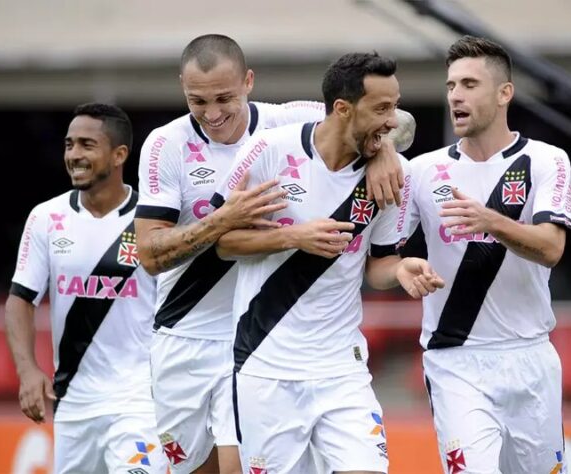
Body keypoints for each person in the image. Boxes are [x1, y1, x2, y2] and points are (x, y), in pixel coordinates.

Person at [134, 35, 410, 474]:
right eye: (196, 101)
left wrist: (382, 153)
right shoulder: (165, 145)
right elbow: (149, 254)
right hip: (184, 333)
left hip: (259, 341)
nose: (212, 114)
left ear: (248, 82)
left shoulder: (288, 120)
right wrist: (224, 219)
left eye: (224, 97)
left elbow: (388, 116)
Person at [211, 52, 444, 474]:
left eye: (395, 106)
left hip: (341, 367)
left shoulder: (394, 175)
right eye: (381, 109)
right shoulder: (268, 152)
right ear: (342, 108)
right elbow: (222, 241)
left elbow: (380, 263)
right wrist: (293, 237)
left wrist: (401, 269)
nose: (393, 120)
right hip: (266, 365)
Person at [398, 35, 571, 474]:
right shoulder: (420, 171)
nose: (456, 95)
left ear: (503, 93)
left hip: (529, 355)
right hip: (455, 359)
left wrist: (490, 220)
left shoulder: (546, 161)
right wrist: (404, 267)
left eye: (470, 84)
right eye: (451, 85)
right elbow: (383, 255)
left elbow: (552, 248)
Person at [5, 103, 167, 474]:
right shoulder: (46, 217)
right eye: (69, 145)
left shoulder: (152, 219)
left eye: (87, 145)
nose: (74, 155)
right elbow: (20, 299)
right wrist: (28, 370)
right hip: (74, 404)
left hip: (139, 400)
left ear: (119, 154)